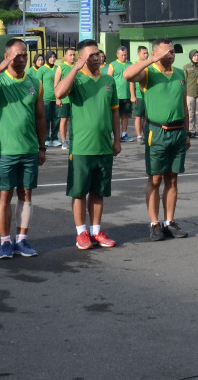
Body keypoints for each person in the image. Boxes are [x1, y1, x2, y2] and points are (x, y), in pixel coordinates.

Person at [0, 39, 47, 259]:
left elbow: (40, 117)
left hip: (29, 150)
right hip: (5, 151)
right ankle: (5, 242)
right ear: (7, 57)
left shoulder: (35, 82)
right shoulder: (0, 81)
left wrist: (42, 147)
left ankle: (22, 239)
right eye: (17, 56)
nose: (22, 59)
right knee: (4, 196)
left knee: (26, 194)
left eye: (24, 55)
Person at [55, 40, 119, 249]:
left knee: (99, 191)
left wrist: (117, 139)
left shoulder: (109, 80)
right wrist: (75, 67)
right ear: (82, 58)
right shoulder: (77, 79)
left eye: (98, 53)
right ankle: (81, 232)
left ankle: (96, 230)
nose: (97, 57)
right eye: (91, 55)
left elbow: (115, 111)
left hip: (103, 146)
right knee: (79, 191)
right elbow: (59, 93)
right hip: (82, 147)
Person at [125, 39, 189, 241]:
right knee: (155, 179)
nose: (170, 55)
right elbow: (128, 75)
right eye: (165, 52)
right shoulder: (148, 73)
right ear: (155, 54)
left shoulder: (180, 73)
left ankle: (169, 221)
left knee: (172, 178)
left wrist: (186, 132)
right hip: (157, 132)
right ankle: (154, 223)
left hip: (178, 131)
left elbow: (184, 105)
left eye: (172, 52)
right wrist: (153, 60)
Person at [110, 45, 134, 142]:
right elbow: (109, 80)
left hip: (126, 95)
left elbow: (132, 81)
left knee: (125, 115)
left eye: (125, 55)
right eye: (122, 55)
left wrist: (132, 95)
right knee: (114, 115)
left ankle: (124, 134)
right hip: (115, 96)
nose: (124, 57)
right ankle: (113, 135)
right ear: (117, 55)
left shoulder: (130, 64)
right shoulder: (112, 65)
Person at [184, 49, 198, 139]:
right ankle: (190, 130)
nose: (196, 57)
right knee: (190, 112)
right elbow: (185, 81)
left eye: (197, 55)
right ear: (191, 57)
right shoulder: (186, 67)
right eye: (194, 56)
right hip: (189, 93)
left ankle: (197, 130)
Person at [41, 51, 62, 147]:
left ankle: (54, 137)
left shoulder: (58, 68)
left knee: (56, 118)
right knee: (46, 118)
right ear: (47, 58)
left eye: (54, 57)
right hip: (45, 98)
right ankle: (45, 138)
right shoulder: (42, 69)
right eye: (50, 57)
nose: (52, 59)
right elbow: (38, 83)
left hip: (56, 98)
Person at [130, 45, 150, 141]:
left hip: (149, 95)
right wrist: (133, 95)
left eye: (147, 53)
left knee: (147, 117)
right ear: (139, 54)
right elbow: (131, 82)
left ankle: (146, 134)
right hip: (139, 95)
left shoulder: (150, 64)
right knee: (138, 116)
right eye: (144, 53)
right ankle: (139, 136)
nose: (146, 55)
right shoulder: (135, 65)